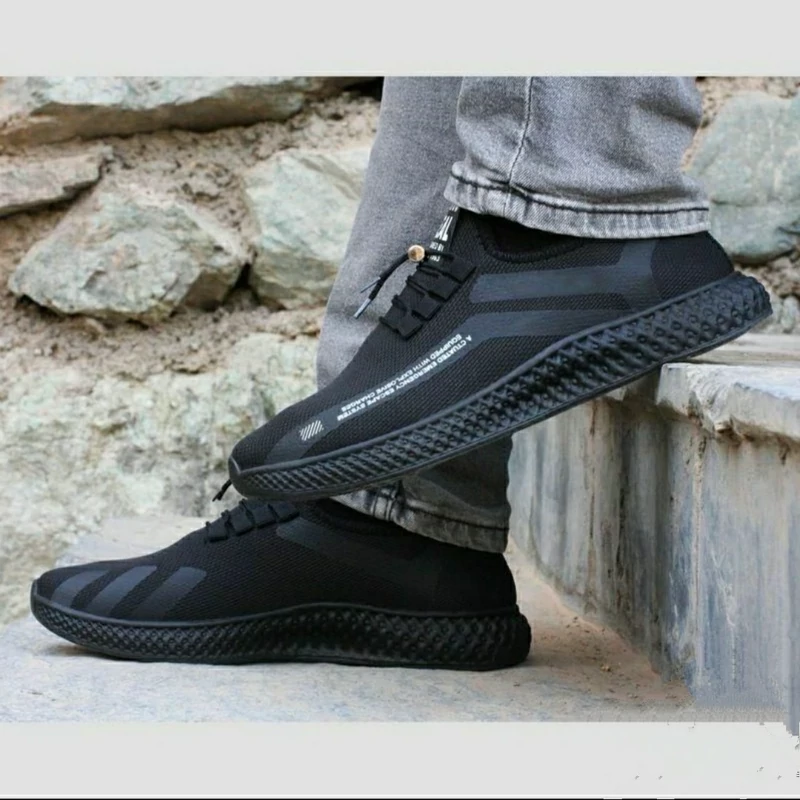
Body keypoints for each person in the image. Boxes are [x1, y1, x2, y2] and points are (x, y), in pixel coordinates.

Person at [29, 78, 770, 669]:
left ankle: (568, 214)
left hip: (582, 223)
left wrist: (553, 200)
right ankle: (391, 517)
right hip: (405, 524)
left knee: (542, 194)